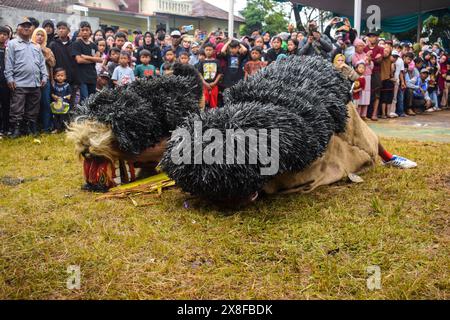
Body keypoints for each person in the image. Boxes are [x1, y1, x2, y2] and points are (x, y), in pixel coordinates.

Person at [5, 18, 48, 138]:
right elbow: (9, 62)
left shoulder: (36, 46)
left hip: (35, 83)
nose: (26, 28)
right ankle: (16, 130)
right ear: (17, 28)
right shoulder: (12, 44)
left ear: (32, 29)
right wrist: (9, 78)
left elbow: (41, 63)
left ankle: (29, 128)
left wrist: (45, 76)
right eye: (23, 26)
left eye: (29, 26)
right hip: (18, 83)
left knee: (33, 108)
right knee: (17, 108)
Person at [49, 21, 79, 109]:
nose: (61, 30)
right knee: (56, 106)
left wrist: (76, 81)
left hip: (70, 81)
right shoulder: (53, 44)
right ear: (56, 31)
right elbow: (50, 64)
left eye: (63, 28)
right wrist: (52, 79)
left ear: (68, 30)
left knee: (69, 105)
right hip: (57, 82)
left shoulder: (74, 45)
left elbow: (76, 63)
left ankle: (67, 122)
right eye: (59, 29)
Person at [32, 27, 56, 133]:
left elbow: (53, 63)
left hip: (46, 80)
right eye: (38, 35)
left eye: (42, 35)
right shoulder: (29, 47)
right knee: (33, 105)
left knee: (46, 104)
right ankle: (33, 128)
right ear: (34, 36)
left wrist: (44, 53)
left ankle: (46, 127)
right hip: (32, 80)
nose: (40, 37)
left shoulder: (48, 49)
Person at [72, 21, 102, 103]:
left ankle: (90, 116)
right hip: (82, 77)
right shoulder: (76, 44)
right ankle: (83, 115)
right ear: (79, 31)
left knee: (92, 99)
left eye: (87, 30)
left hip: (92, 76)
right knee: (84, 98)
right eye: (82, 30)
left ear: (90, 31)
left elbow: (100, 59)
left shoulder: (93, 45)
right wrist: (93, 59)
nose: (85, 32)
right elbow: (79, 60)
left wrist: (85, 56)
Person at [364, 30, 384, 121]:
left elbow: (379, 61)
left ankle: (374, 113)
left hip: (376, 73)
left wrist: (369, 59)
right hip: (366, 73)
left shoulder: (380, 48)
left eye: (374, 36)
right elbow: (364, 60)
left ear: (377, 38)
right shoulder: (364, 48)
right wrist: (373, 59)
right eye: (370, 36)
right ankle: (365, 113)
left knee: (376, 94)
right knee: (366, 93)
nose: (372, 38)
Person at [197, 43, 222, 109]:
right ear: (204, 51)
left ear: (213, 51)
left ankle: (213, 114)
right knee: (205, 100)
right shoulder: (202, 62)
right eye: (206, 50)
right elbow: (199, 73)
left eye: (210, 50)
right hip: (204, 85)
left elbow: (220, 73)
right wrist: (205, 83)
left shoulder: (216, 61)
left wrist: (214, 83)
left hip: (214, 85)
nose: (208, 51)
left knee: (214, 101)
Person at [50, 68, 71, 133]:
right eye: (58, 76)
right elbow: (52, 93)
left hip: (64, 104)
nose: (60, 77)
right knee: (56, 117)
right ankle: (56, 128)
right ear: (55, 77)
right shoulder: (54, 85)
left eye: (62, 76)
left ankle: (65, 128)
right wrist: (54, 96)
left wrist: (67, 97)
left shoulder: (67, 85)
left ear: (65, 77)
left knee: (64, 117)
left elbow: (70, 95)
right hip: (56, 104)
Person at [379, 47, 396, 119]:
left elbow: (392, 71)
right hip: (382, 80)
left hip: (389, 80)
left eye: (387, 52)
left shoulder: (390, 60)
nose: (385, 53)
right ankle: (383, 113)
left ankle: (388, 113)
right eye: (385, 51)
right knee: (383, 98)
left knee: (389, 98)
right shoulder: (380, 59)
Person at [0, 26, 10, 137]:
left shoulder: (8, 49)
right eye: (0, 33)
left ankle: (5, 129)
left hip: (5, 82)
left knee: (6, 105)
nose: (2, 36)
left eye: (5, 34)